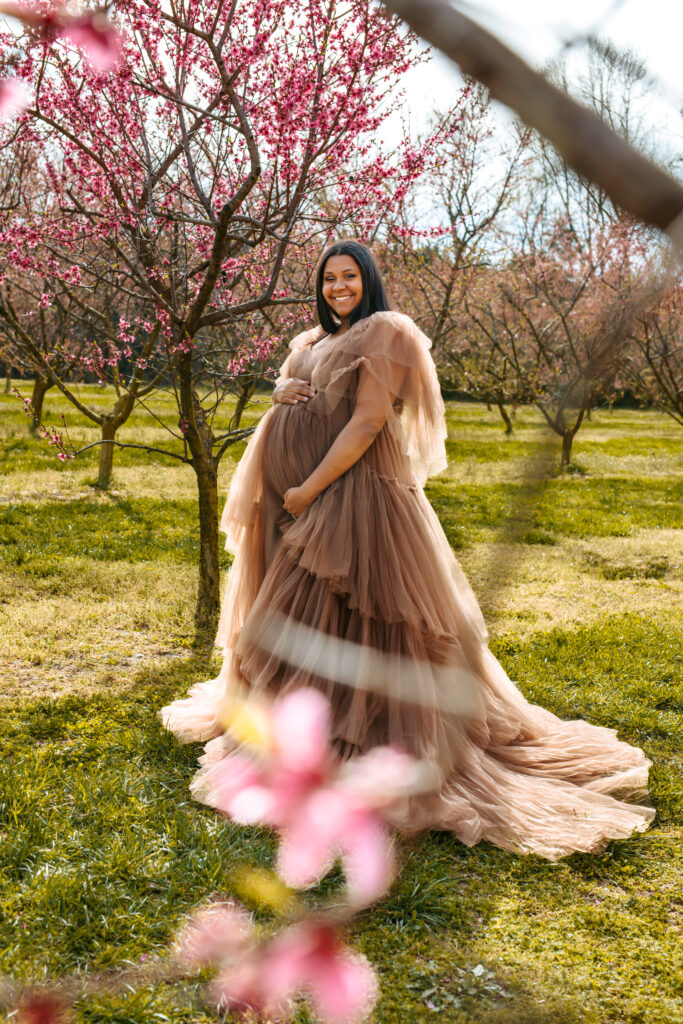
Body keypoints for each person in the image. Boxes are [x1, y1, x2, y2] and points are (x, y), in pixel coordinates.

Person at [160, 240, 654, 860]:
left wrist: (310, 488)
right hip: (301, 498)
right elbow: (295, 383)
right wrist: (283, 394)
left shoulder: (387, 331)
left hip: (354, 496)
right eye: (329, 278)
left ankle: (370, 741)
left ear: (368, 280)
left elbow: (368, 422)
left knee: (369, 616)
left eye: (349, 276)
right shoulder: (310, 341)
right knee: (307, 617)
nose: (339, 286)